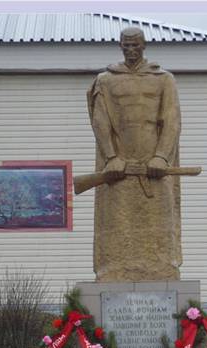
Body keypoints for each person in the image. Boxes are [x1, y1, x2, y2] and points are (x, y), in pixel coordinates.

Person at [87, 27, 182, 281]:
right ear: (120, 46)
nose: (130, 50)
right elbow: (100, 121)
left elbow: (171, 120)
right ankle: (114, 269)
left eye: (135, 45)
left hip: (154, 166)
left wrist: (162, 156)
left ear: (144, 46)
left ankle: (161, 266)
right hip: (119, 166)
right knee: (118, 223)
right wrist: (110, 157)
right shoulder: (105, 80)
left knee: (160, 222)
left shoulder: (164, 79)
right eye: (126, 46)